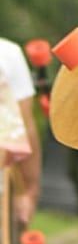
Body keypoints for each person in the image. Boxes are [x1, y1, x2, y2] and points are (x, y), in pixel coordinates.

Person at [0, 37, 41, 227]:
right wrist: (27, 191)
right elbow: (24, 128)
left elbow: (23, 128)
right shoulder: (6, 54)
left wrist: (26, 190)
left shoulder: (8, 54)